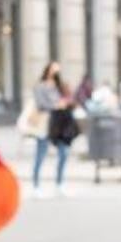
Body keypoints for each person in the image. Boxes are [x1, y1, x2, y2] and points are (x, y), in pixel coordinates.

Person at [28, 61, 72, 198]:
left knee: (64, 152)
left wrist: (65, 102)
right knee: (40, 155)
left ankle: (59, 184)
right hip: (45, 123)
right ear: (47, 70)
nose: (56, 73)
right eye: (54, 70)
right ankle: (36, 186)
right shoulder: (40, 86)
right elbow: (41, 104)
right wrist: (56, 105)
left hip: (59, 124)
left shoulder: (59, 87)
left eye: (58, 70)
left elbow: (68, 99)